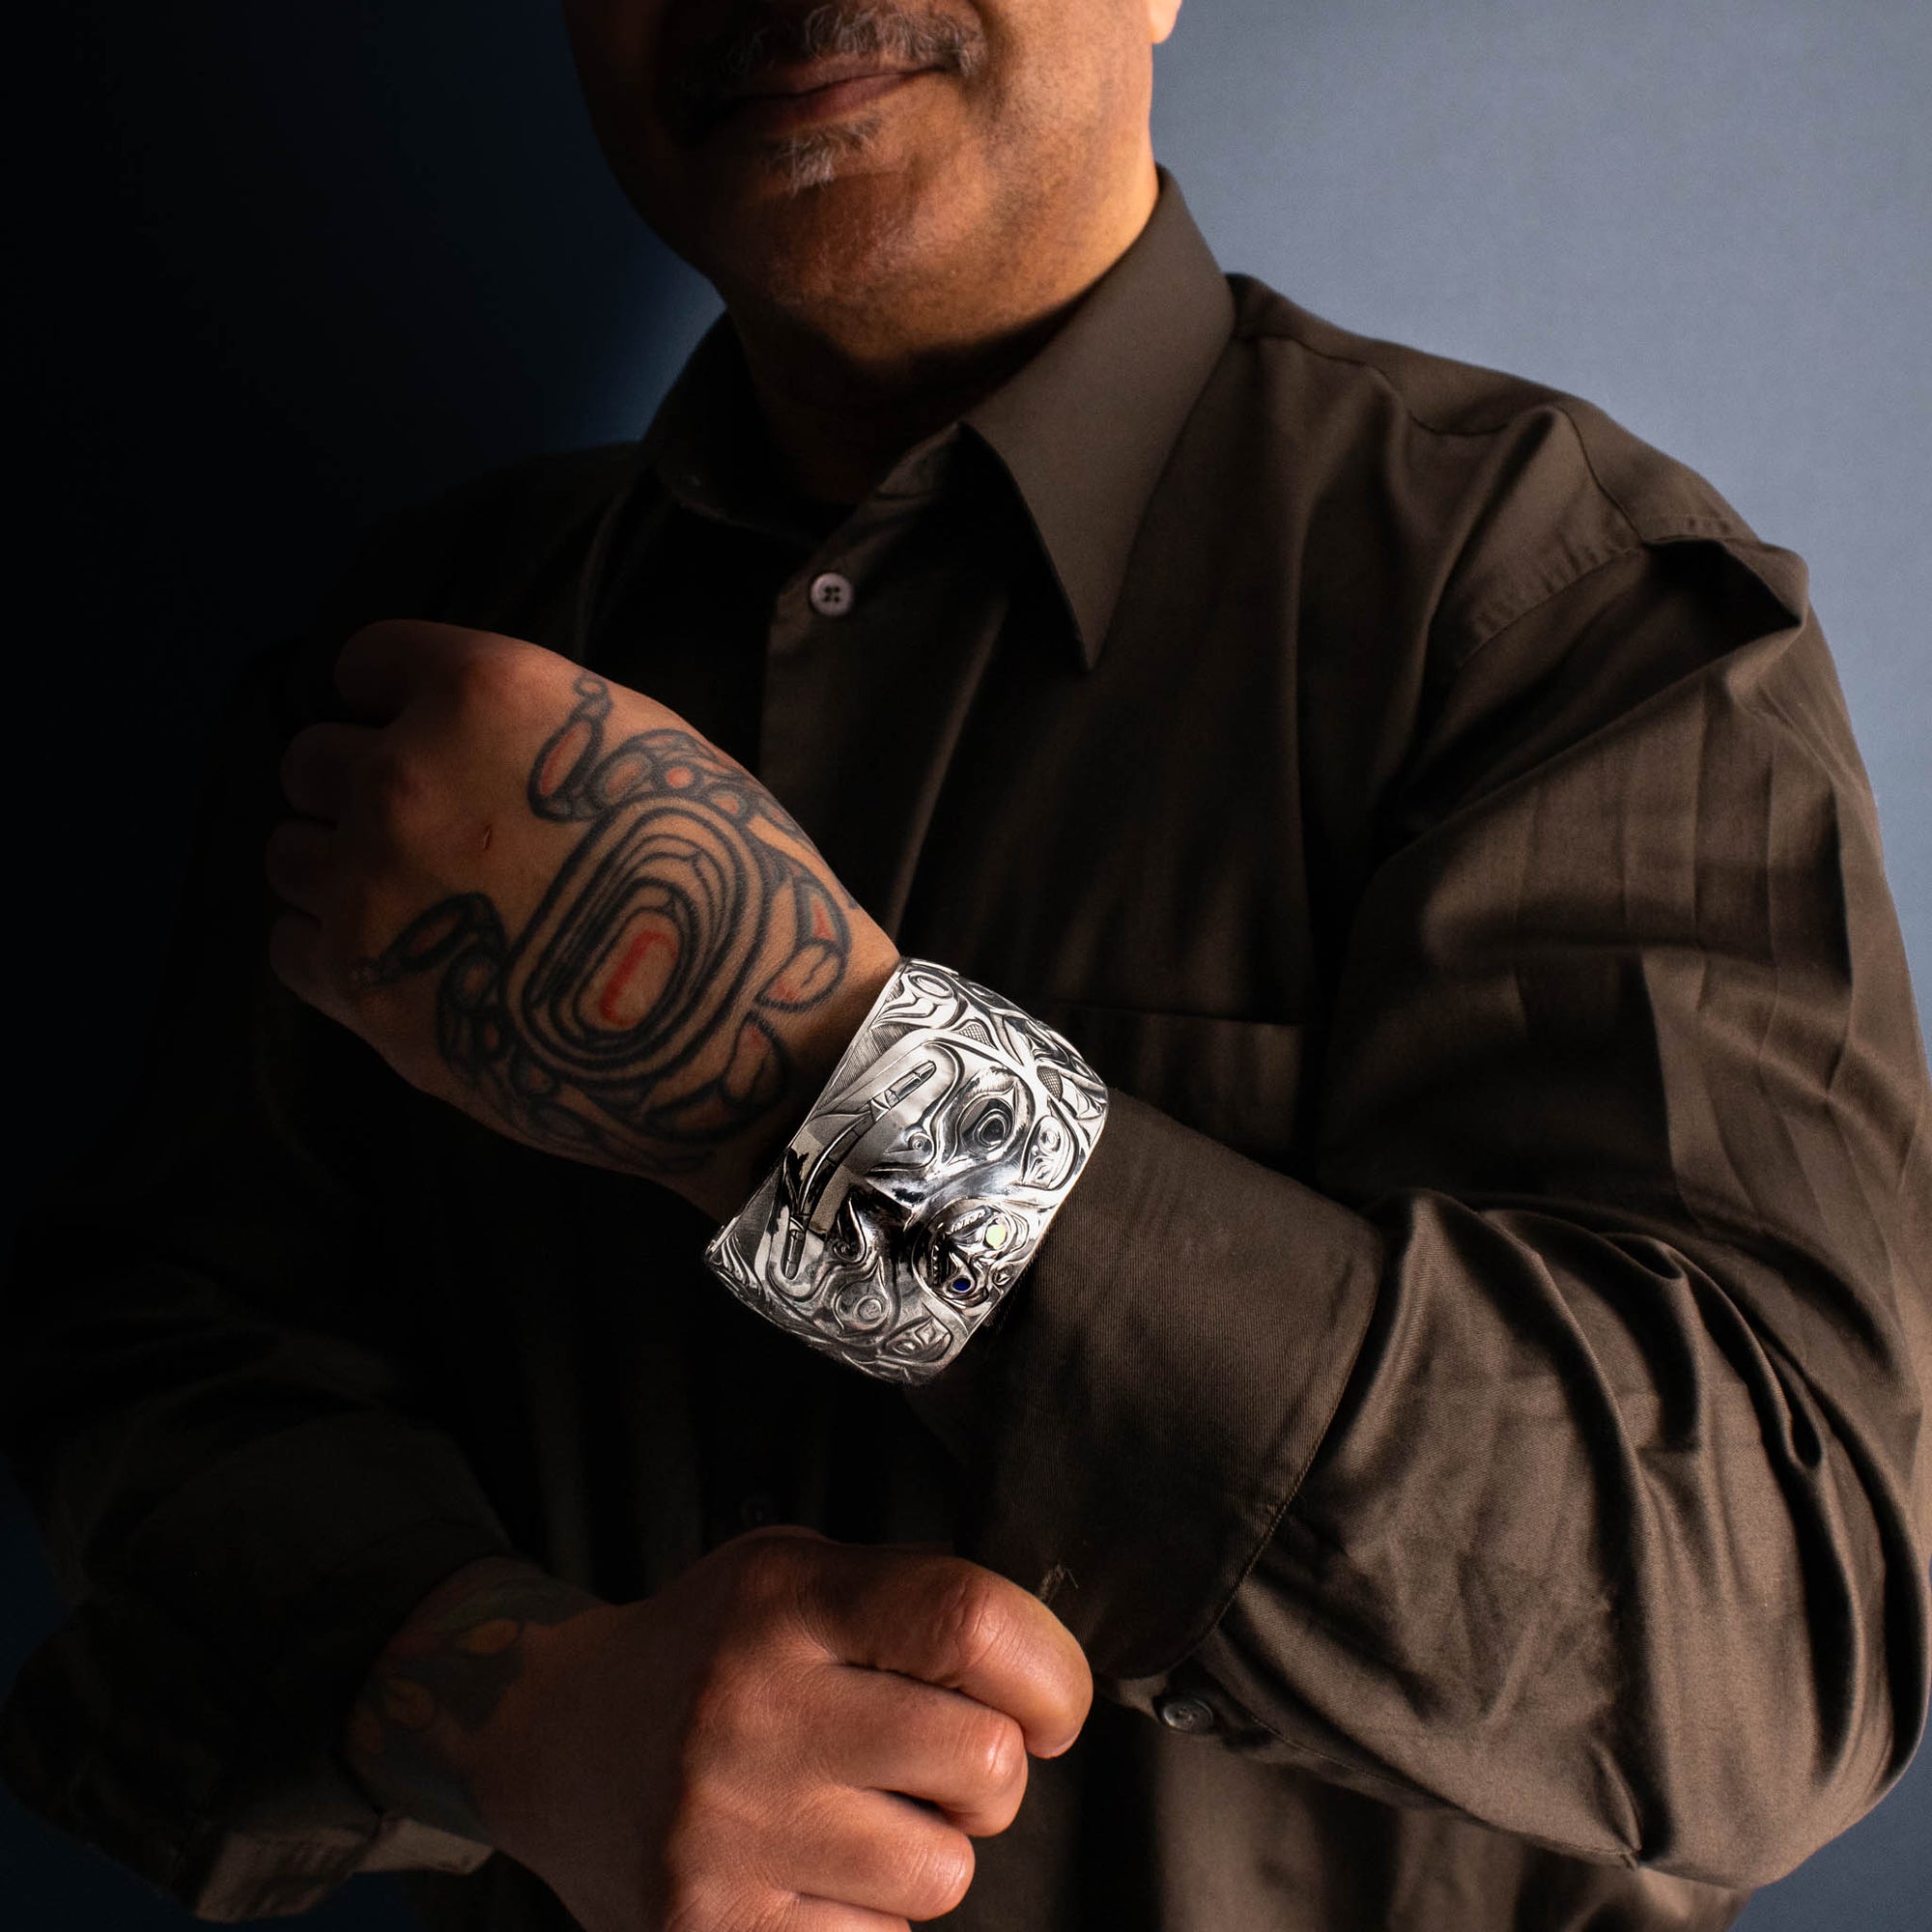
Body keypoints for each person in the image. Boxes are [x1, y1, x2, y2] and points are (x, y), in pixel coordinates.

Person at [4, 1, 1929, 1927]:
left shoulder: (1555, 617)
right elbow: (161, 1378)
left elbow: (1768, 1642)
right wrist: (517, 1712)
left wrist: (798, 1077)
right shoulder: (417, 657)